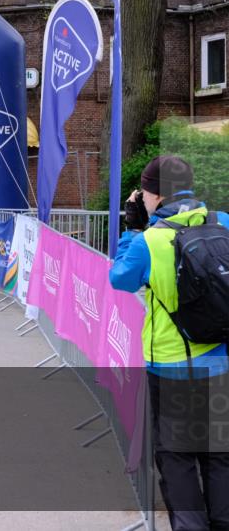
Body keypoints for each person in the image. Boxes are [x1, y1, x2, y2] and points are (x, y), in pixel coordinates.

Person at [109, 155, 228, 531]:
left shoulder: (150, 241)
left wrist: (132, 228)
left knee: (177, 458)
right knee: (219, 455)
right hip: (221, 361)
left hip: (171, 367)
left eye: (144, 193)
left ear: (156, 195)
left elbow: (120, 278)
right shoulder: (223, 222)